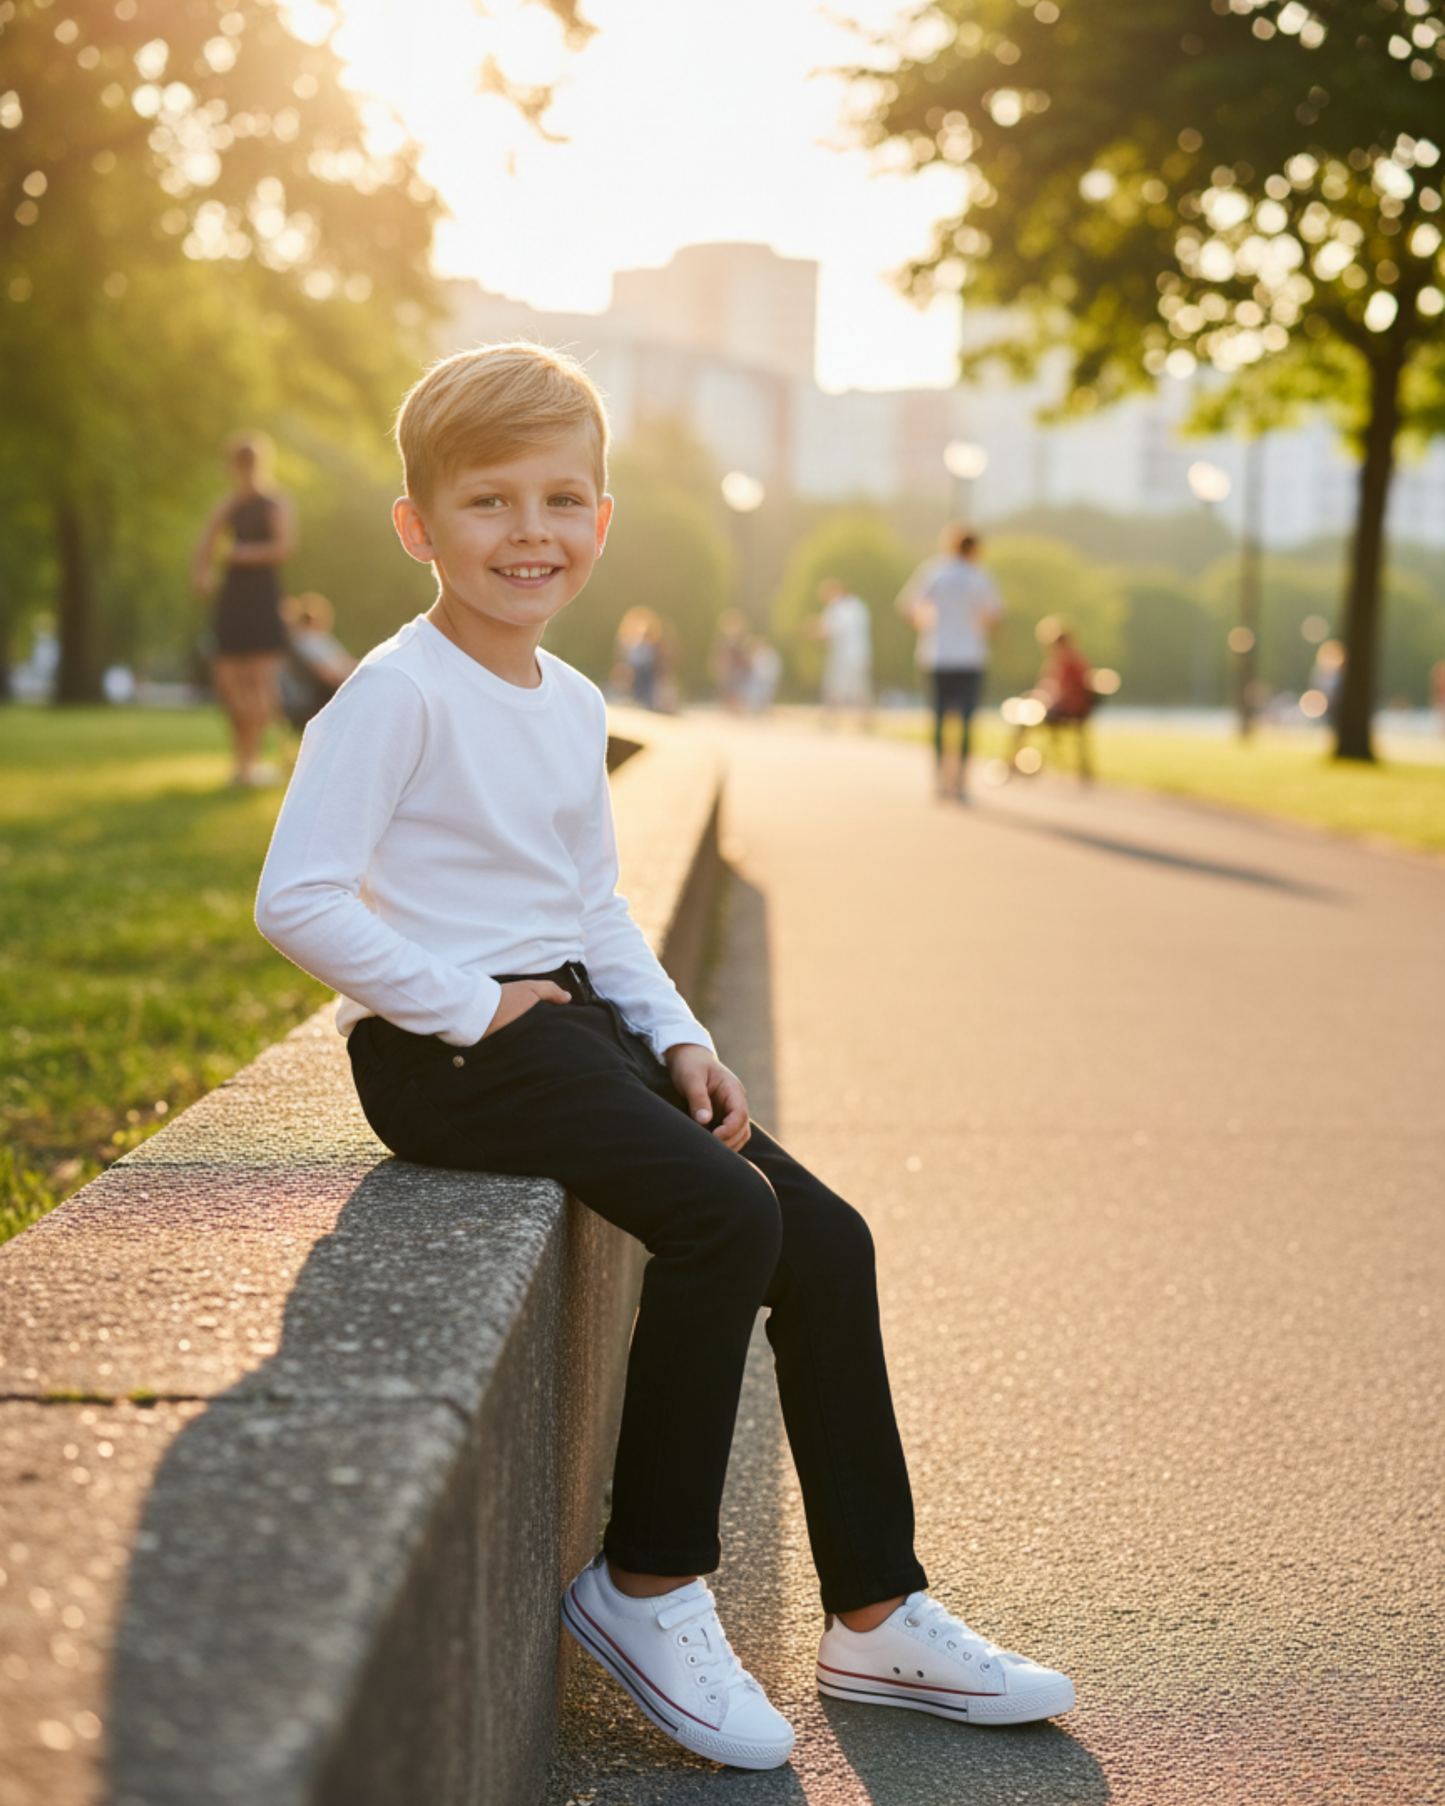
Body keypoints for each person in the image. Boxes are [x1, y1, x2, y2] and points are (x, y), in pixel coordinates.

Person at [254, 344, 1075, 1773]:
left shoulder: (570, 702)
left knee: (826, 1239)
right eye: (488, 502)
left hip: (570, 1023)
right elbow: (299, 899)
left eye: (560, 499)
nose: (529, 532)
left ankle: (876, 1612)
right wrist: (465, 998)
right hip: (451, 1052)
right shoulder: (398, 692)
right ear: (417, 526)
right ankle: (644, 1583)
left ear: (602, 521)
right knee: (724, 1212)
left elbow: (591, 909)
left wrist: (681, 1035)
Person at [191, 434, 295, 786]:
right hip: (232, 599)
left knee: (260, 682)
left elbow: (282, 547)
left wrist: (239, 554)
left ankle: (254, 763)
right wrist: (202, 573)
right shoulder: (229, 505)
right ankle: (242, 762)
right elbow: (205, 544)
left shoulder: (274, 503)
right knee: (229, 685)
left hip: (261, 597)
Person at [897, 526, 1003, 801]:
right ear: (976, 549)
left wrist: (926, 622)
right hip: (970, 657)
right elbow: (994, 615)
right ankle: (961, 783)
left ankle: (940, 781)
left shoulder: (935, 572)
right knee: (967, 722)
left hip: (938, 655)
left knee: (939, 720)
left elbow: (908, 605)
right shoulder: (979, 577)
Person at [1013, 616, 1096, 782]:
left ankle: (1013, 763)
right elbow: (1047, 689)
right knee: (1024, 712)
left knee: (1024, 720)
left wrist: (1044, 701)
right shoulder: (1060, 662)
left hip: (1069, 711)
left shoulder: (1072, 663)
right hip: (1062, 708)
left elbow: (1067, 693)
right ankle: (1016, 762)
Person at [279, 592, 358, 732]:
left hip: (343, 679)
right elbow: (324, 674)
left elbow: (342, 660)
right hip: (328, 691)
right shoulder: (306, 642)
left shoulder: (321, 638)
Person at [810, 577, 873, 728]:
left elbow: (831, 632)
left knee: (833, 686)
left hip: (842, 656)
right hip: (860, 654)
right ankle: (866, 720)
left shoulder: (836, 608)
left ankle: (829, 719)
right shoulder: (858, 606)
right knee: (860, 688)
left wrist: (814, 630)